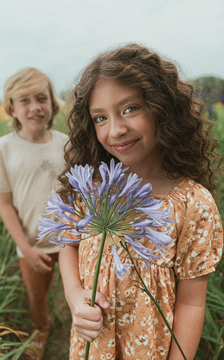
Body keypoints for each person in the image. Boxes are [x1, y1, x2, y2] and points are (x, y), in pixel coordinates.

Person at [57, 44, 223, 360]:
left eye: (130, 108)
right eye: (100, 117)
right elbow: (69, 242)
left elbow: (191, 303)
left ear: (162, 107)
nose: (116, 130)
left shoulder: (192, 204)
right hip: (93, 348)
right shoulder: (91, 185)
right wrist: (75, 296)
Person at [0, 67, 68, 360]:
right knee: (37, 298)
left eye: (41, 98)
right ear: (11, 108)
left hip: (70, 241)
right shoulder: (4, 147)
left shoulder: (65, 143)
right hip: (31, 244)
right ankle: (41, 330)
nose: (35, 107)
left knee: (77, 291)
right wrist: (26, 248)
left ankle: (80, 331)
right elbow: (5, 205)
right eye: (25, 100)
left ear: (52, 104)